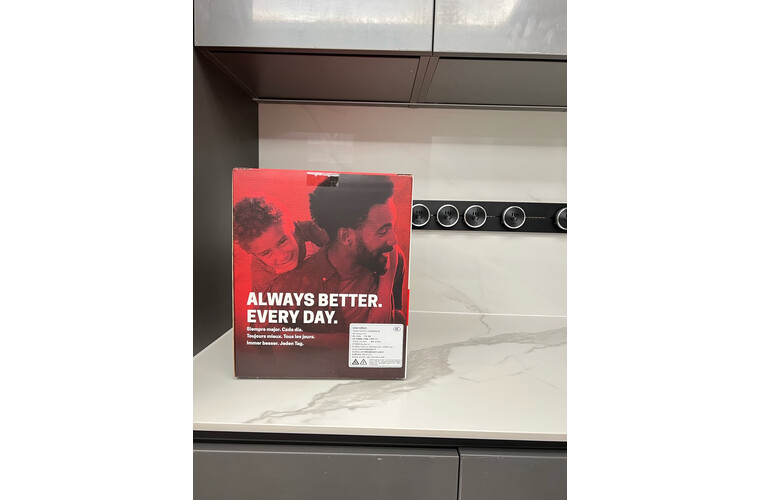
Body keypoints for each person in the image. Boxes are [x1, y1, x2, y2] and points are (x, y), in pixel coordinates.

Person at [267, 174, 406, 331]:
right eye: (383, 232)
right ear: (346, 236)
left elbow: (397, 319)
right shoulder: (289, 289)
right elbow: (278, 340)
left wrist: (385, 301)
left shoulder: (388, 261)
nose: (394, 240)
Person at [233, 195, 329, 294]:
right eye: (266, 253)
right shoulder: (262, 278)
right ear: (255, 254)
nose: (282, 256)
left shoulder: (315, 232)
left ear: (292, 227)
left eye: (282, 242)